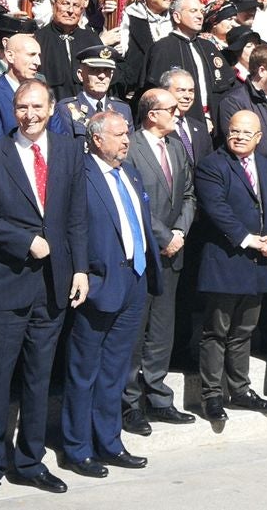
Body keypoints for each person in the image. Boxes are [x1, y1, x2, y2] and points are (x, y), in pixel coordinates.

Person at [0, 80, 89, 502]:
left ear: (52, 107)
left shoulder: (69, 150)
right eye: (22, 107)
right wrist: (24, 241)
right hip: (7, 283)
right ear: (13, 110)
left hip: (53, 284)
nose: (30, 114)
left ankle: (31, 461)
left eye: (37, 106)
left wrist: (80, 269)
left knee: (39, 379)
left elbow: (76, 214)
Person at [61, 111, 158, 479]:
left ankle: (110, 441)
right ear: (97, 139)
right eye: (118, 135)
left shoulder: (129, 172)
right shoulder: (81, 175)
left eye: (127, 134)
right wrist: (81, 272)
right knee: (84, 369)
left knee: (116, 370)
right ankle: (77, 447)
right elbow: (75, 229)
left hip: (135, 281)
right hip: (99, 283)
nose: (126, 140)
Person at [194, 110, 267, 422]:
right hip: (226, 260)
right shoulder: (212, 165)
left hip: (259, 262)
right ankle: (212, 395)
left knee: (244, 330)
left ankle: (241, 389)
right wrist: (248, 239)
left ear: (259, 138)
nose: (240, 137)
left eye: (248, 133)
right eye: (235, 130)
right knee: (216, 331)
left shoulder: (266, 165)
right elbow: (216, 208)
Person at [120, 89, 199, 435]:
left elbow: (188, 195)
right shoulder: (131, 147)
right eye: (171, 109)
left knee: (163, 329)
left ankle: (159, 396)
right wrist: (164, 237)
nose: (178, 113)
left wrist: (180, 231)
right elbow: (134, 199)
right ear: (152, 114)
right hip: (144, 251)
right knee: (137, 331)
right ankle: (129, 402)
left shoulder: (177, 147)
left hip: (173, 251)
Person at [50, 46, 133, 142]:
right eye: (95, 70)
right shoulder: (66, 109)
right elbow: (65, 149)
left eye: (107, 71)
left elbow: (129, 149)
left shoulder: (123, 109)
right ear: (80, 75)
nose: (102, 76)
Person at [34, 0, 102, 101]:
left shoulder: (92, 39)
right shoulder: (39, 39)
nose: (70, 10)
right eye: (65, 4)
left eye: (76, 5)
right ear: (53, 5)